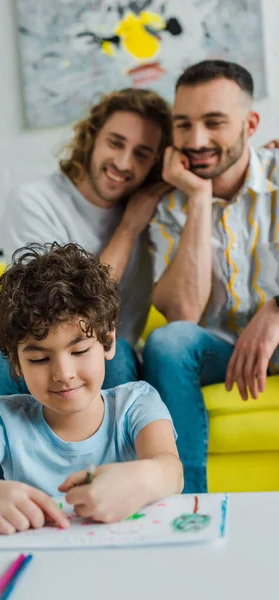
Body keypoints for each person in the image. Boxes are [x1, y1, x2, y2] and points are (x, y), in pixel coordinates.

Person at [0, 243, 183, 533]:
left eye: (80, 351)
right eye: (40, 358)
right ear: (17, 363)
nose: (63, 374)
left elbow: (171, 471)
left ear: (107, 342)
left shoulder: (137, 404)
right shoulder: (4, 418)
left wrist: (140, 480)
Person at [0, 88, 173, 433]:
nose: (124, 163)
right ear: (92, 137)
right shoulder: (36, 201)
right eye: (115, 143)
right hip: (46, 348)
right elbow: (55, 309)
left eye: (142, 154)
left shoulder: (160, 211)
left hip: (113, 356)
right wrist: (129, 228)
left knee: (111, 359)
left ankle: (110, 485)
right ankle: (4, 488)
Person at [142, 59, 279, 494]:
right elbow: (182, 314)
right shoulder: (168, 206)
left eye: (214, 122)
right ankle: (188, 505)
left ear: (250, 124)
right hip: (222, 351)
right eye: (183, 125)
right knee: (168, 342)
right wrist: (199, 199)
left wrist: (276, 310)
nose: (196, 141)